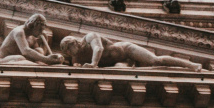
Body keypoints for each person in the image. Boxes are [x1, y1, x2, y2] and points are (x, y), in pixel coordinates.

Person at [58, 32, 204, 71]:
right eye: (69, 54)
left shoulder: (89, 37)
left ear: (74, 43)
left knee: (155, 60)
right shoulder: (76, 58)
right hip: (120, 63)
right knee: (118, 70)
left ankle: (191, 65)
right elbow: (75, 68)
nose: (72, 54)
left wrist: (93, 64)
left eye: (70, 50)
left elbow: (99, 48)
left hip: (126, 50)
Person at [0, 14, 64, 65]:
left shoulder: (33, 38)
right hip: (4, 60)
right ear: (32, 25)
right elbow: (25, 51)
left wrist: (44, 45)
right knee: (20, 58)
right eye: (40, 29)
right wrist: (47, 59)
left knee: (38, 50)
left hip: (24, 59)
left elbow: (40, 54)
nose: (41, 32)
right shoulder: (19, 32)